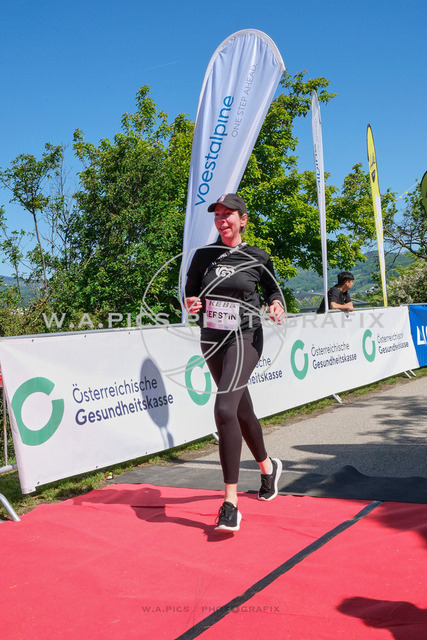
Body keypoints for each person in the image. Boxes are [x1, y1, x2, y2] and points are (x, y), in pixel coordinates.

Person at [184, 193, 285, 532]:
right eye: (218, 214)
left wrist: (276, 304)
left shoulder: (258, 256)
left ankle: (230, 503)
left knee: (225, 408)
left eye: (228, 214)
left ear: (243, 219)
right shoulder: (203, 256)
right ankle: (268, 467)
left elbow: (273, 291)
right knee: (241, 410)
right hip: (212, 338)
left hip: (245, 336)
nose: (222, 219)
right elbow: (190, 292)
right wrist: (191, 302)